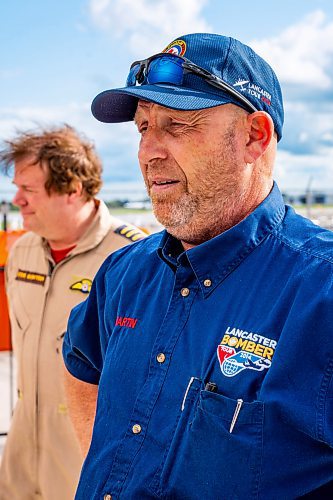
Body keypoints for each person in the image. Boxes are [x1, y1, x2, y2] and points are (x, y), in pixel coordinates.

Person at [63, 33, 333, 499]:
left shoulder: (320, 291)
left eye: (178, 125)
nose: (149, 151)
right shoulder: (123, 274)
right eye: (144, 127)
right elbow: (82, 365)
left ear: (255, 136)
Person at [0, 125, 146, 500]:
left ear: (73, 189)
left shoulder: (134, 260)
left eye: (28, 189)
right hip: (20, 457)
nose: (17, 200)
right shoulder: (22, 252)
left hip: (85, 463)